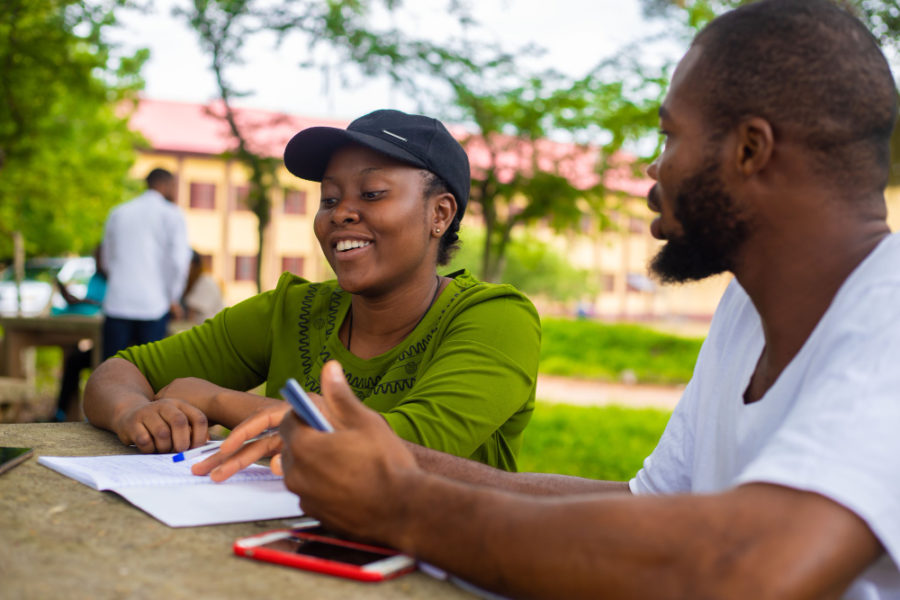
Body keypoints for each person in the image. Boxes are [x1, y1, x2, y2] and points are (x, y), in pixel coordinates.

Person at [269, 2, 900, 598]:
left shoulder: (890, 315)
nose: (654, 172)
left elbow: (744, 569)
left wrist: (398, 505)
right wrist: (395, 462)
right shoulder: (748, 310)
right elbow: (646, 511)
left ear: (750, 150)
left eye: (670, 137)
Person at [83, 109, 540, 474]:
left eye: (373, 193)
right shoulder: (293, 309)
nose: (341, 213)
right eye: (329, 198)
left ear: (439, 214)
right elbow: (120, 371)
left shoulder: (496, 319)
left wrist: (218, 400)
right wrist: (130, 413)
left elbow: (400, 448)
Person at [100, 168, 192, 358]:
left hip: (117, 302)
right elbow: (178, 261)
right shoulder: (172, 214)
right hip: (154, 305)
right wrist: (173, 297)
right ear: (165, 184)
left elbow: (106, 259)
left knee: (112, 371)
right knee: (149, 375)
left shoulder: (118, 212)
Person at [51, 245, 107, 421]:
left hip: (118, 346)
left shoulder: (120, 280)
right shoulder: (96, 278)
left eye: (102, 257)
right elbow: (93, 303)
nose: (98, 262)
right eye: (96, 258)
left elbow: (101, 305)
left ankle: (97, 416)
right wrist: (75, 301)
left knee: (100, 363)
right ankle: (61, 413)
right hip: (99, 336)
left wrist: (81, 301)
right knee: (74, 360)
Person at [181, 250, 224, 324]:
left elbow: (191, 314)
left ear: (193, 264)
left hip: (209, 329)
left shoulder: (205, 282)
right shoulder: (193, 281)